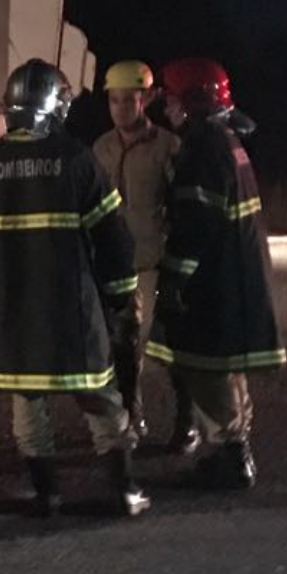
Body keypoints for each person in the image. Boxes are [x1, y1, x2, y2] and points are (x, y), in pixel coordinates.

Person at [0, 60, 149, 517]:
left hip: (14, 312)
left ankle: (47, 495)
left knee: (28, 403)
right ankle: (123, 491)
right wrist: (121, 294)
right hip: (73, 308)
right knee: (100, 398)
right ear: (56, 105)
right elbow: (112, 235)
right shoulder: (76, 159)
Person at [145, 58, 285, 489]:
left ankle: (231, 458)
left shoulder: (203, 147)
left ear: (193, 102)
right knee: (225, 369)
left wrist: (174, 280)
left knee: (208, 369)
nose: (165, 106)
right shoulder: (227, 139)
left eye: (170, 98)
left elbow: (194, 225)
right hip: (233, 275)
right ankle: (233, 446)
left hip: (214, 282)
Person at [91, 60, 197, 452]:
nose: (120, 108)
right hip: (116, 267)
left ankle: (187, 421)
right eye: (114, 100)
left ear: (147, 99)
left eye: (128, 100)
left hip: (156, 262)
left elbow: (185, 206)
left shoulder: (168, 147)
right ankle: (131, 420)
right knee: (122, 348)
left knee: (166, 349)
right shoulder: (100, 148)